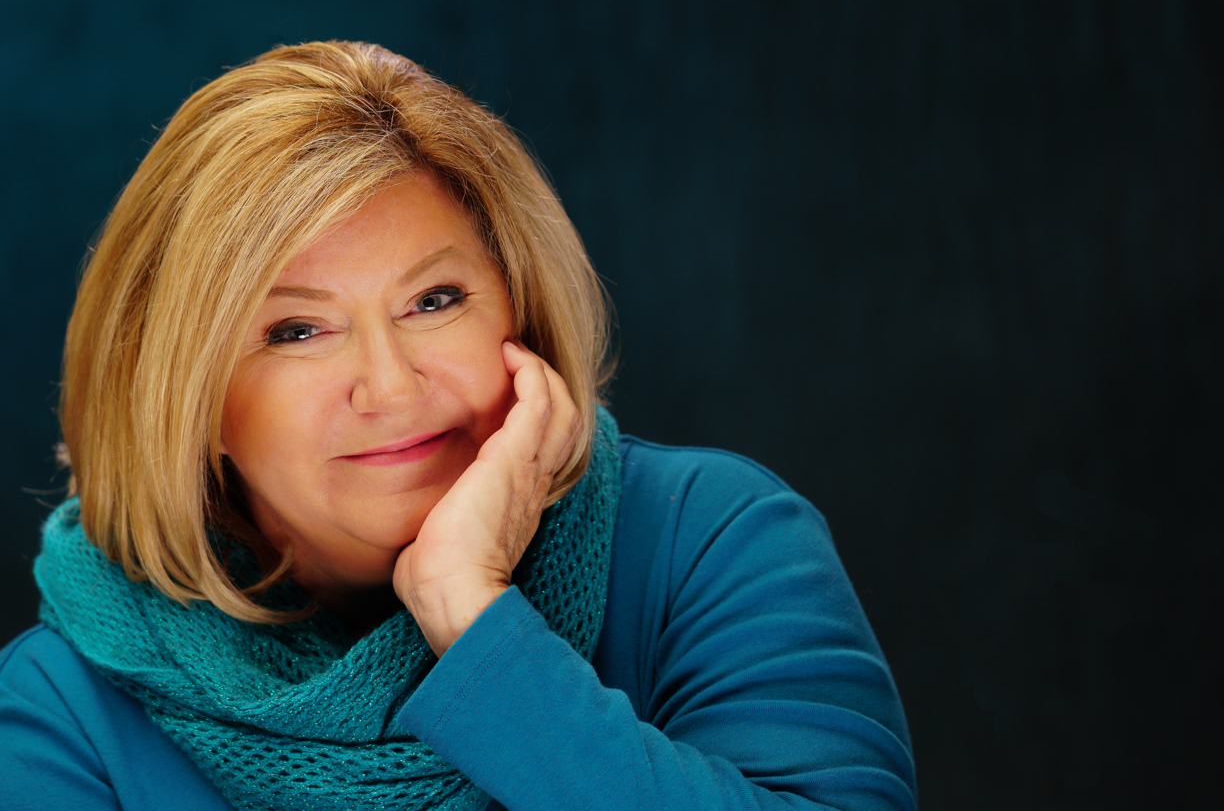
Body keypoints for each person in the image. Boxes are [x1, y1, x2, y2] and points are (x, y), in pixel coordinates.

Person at [0, 41, 916, 811]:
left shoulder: (710, 542)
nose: (391, 386)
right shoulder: (65, 711)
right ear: (187, 400)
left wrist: (474, 619)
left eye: (434, 300)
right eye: (296, 331)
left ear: (519, 312)